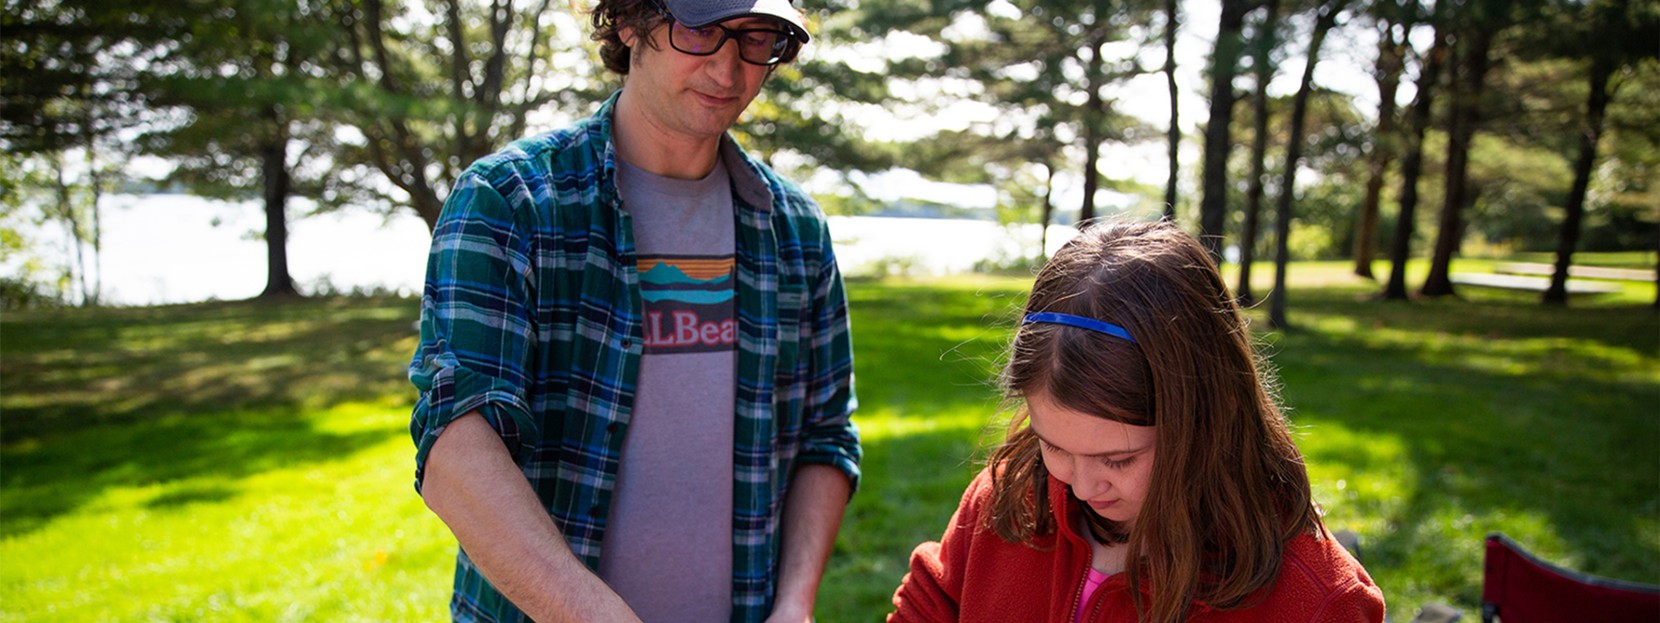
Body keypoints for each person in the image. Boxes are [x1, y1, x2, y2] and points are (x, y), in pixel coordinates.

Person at [406, 1, 861, 621]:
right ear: (628, 21)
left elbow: (825, 434)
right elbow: (457, 441)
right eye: (700, 31)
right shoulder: (512, 200)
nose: (728, 69)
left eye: (756, 38)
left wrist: (794, 604)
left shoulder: (796, 227)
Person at [887, 220, 1385, 623]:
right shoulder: (1009, 499)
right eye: (1053, 446)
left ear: (1206, 422)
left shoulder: (1318, 602)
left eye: (1118, 459)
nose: (1082, 486)